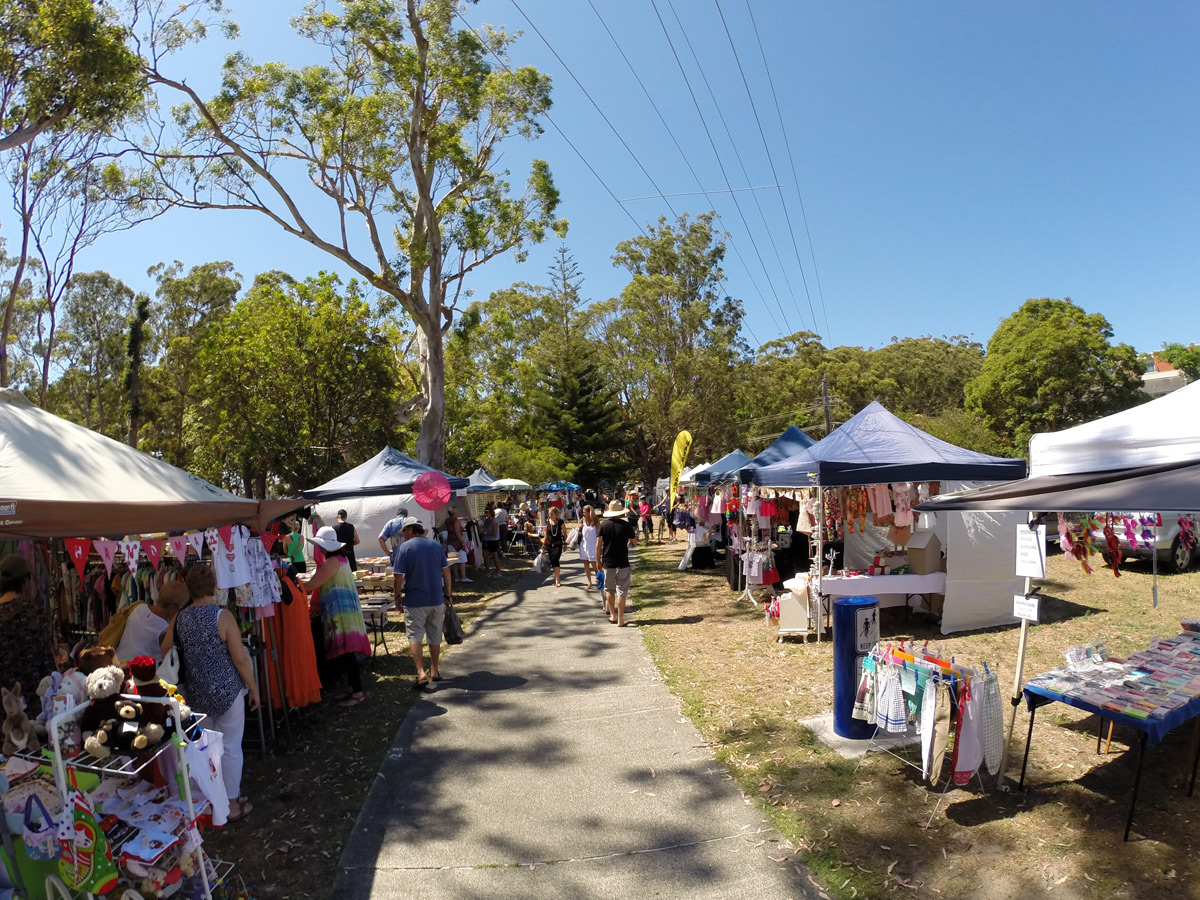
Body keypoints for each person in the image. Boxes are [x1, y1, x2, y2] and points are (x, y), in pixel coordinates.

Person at [165, 565, 261, 823]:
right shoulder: (223, 616)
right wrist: (254, 688)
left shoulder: (180, 617)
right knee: (230, 748)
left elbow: (163, 646)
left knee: (207, 749)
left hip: (196, 692)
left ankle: (215, 799)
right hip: (226, 691)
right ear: (214, 586)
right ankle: (230, 804)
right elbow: (240, 659)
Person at [304, 526, 371, 708]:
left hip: (342, 613)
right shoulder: (341, 558)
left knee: (348, 653)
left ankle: (357, 693)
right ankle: (352, 687)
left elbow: (312, 584)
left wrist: (295, 586)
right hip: (345, 611)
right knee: (347, 654)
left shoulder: (332, 562)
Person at [392, 517, 452, 690]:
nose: (403, 536)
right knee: (435, 635)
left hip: (415, 600)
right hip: (436, 599)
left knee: (415, 636)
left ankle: (421, 672)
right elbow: (446, 572)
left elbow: (398, 577)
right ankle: (435, 670)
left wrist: (397, 598)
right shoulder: (435, 546)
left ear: (410, 529)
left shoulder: (404, 548)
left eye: (404, 532)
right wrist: (448, 593)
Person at [116, 580, 189, 664]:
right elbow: (169, 659)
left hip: (119, 662)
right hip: (140, 672)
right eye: (182, 607)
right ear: (172, 607)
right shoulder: (164, 630)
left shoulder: (138, 607)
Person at [596, 499, 638, 626]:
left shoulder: (604, 525)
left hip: (608, 562)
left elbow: (599, 545)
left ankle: (612, 615)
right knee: (622, 591)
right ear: (620, 512)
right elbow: (634, 541)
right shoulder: (626, 525)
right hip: (623, 562)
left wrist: (598, 560)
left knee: (609, 589)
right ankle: (620, 619)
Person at [378, 504, 411, 596]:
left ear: (397, 514)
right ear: (406, 514)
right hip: (410, 556)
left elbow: (380, 538)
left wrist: (387, 552)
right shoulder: (409, 522)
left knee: (397, 578)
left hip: (396, 557)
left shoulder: (391, 523)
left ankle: (397, 596)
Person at [440, 507, 471, 583]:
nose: (458, 514)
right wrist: (463, 541)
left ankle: (456, 577)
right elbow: (457, 532)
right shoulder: (456, 521)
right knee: (463, 559)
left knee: (453, 560)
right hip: (457, 542)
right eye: (457, 513)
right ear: (454, 513)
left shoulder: (447, 521)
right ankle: (463, 577)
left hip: (450, 542)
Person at [542, 506, 566, 587]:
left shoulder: (561, 522)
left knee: (556, 559)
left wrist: (565, 544)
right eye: (549, 514)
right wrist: (544, 544)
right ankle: (556, 578)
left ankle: (557, 579)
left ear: (556, 514)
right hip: (549, 545)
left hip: (558, 544)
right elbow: (546, 534)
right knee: (553, 562)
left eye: (551, 514)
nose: (550, 516)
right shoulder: (548, 522)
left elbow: (565, 534)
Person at [578, 504, 599, 590]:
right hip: (584, 545)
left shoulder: (595, 521)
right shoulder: (582, 520)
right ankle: (589, 582)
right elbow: (579, 531)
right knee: (586, 564)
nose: (583, 514)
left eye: (585, 512)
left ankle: (599, 579)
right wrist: (579, 527)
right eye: (582, 512)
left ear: (589, 512)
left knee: (595, 565)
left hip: (593, 545)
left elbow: (599, 533)